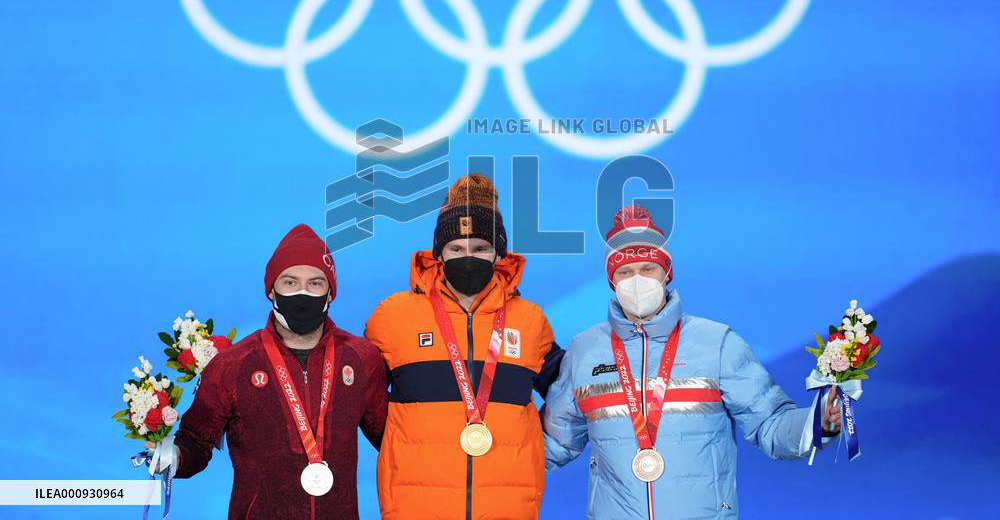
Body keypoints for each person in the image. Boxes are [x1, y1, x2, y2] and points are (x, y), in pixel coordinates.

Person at [542, 205, 841, 519]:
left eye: (648, 269)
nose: (637, 280)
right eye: (625, 272)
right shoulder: (585, 350)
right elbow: (553, 442)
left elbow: (769, 424)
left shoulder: (717, 343)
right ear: (612, 280)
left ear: (666, 273)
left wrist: (816, 423)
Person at [146, 223, 388, 519]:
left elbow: (393, 440)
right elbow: (196, 440)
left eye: (315, 283)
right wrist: (175, 458)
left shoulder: (361, 358)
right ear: (271, 291)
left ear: (330, 294)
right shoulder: (233, 364)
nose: (303, 292)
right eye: (290, 282)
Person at [364, 173, 565, 520]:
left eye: (480, 249)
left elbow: (572, 391)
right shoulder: (393, 316)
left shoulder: (529, 321)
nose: (467, 257)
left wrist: (533, 447)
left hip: (507, 505)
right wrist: (403, 443)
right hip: (416, 505)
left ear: (498, 254)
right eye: (456, 249)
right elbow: (360, 397)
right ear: (438, 253)